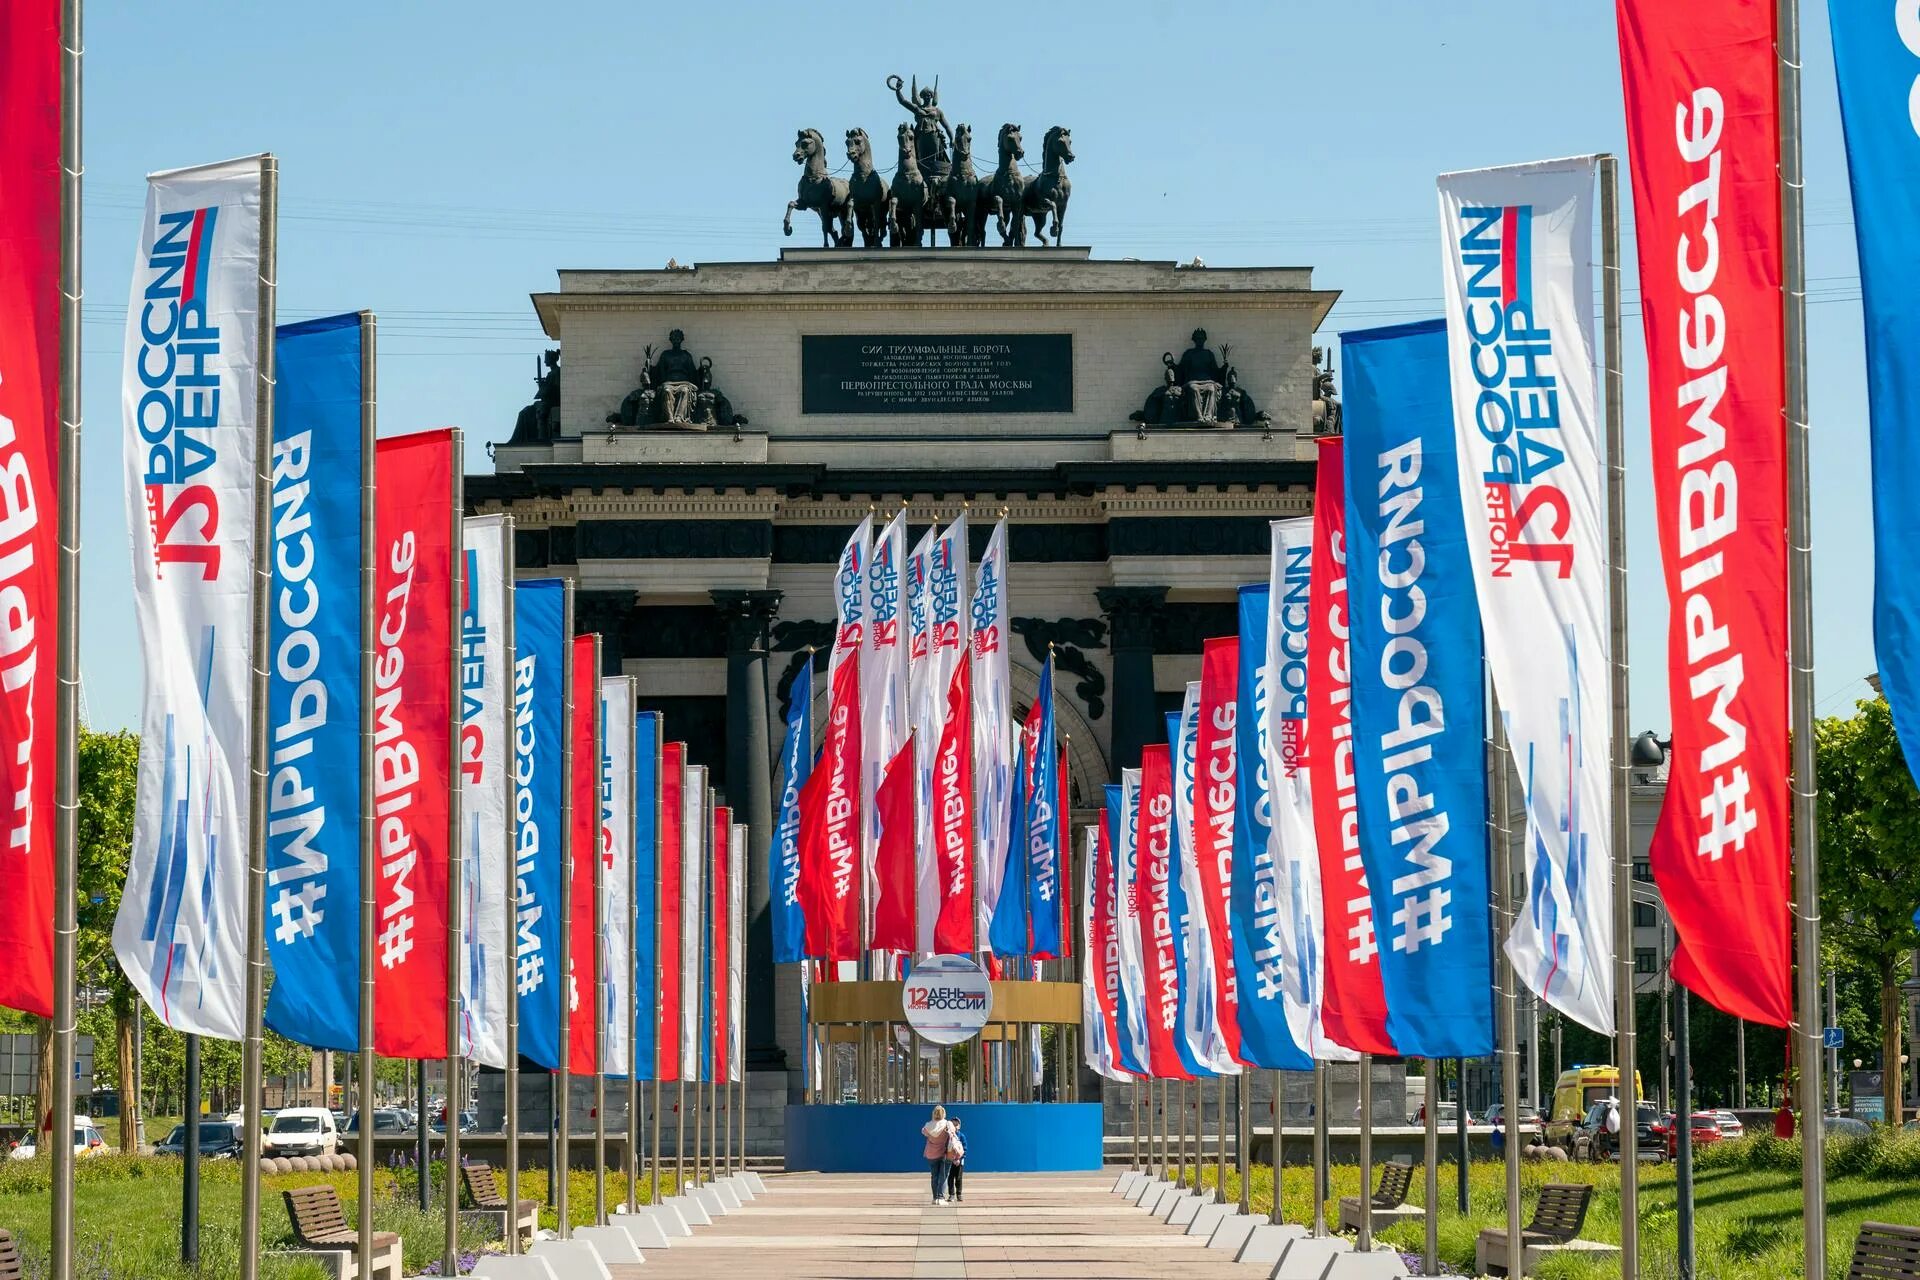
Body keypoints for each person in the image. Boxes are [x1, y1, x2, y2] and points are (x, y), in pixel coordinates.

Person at [921, 1105, 956, 1205]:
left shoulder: (928, 1125)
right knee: (943, 1176)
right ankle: (941, 1197)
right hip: (945, 1153)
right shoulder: (947, 1124)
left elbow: (923, 1132)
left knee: (934, 1176)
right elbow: (953, 1133)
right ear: (944, 1113)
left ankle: (935, 1198)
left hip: (931, 1154)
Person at [946, 1117, 966, 1203]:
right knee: (950, 1178)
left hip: (959, 1162)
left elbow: (964, 1149)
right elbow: (946, 1148)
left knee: (958, 1178)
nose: (955, 1126)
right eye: (953, 1124)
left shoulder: (961, 1136)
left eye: (956, 1124)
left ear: (959, 1126)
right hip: (950, 1161)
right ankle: (951, 1194)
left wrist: (959, 1158)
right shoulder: (947, 1136)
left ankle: (959, 1194)